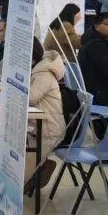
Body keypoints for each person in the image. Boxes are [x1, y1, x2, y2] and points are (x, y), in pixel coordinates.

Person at [27, 42, 66, 191]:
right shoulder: (38, 68)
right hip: (38, 125)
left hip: (48, 129)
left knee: (23, 173)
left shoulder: (43, 74)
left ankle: (41, 168)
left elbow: (30, 97)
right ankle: (40, 167)